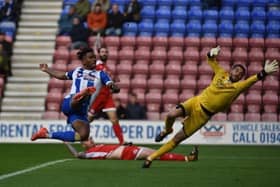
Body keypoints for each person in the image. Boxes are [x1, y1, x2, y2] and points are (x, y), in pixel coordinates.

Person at [142, 46, 279, 168]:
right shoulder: (221, 73)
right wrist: (211, 53)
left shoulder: (238, 87)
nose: (238, 73)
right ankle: (167, 130)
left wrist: (264, 72)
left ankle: (150, 158)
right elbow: (210, 60)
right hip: (196, 101)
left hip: (203, 116)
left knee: (177, 139)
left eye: (241, 74)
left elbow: (252, 80)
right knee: (171, 114)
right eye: (236, 70)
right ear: (231, 70)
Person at [31, 47, 120, 142]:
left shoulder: (100, 74)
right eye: (90, 57)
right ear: (84, 61)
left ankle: (46, 134)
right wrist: (47, 69)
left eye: (94, 57)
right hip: (70, 102)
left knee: (83, 135)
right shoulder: (77, 71)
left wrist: (113, 86)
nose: (94, 59)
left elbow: (109, 83)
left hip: (80, 111)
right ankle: (82, 94)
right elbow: (62, 75)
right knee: (80, 97)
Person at [88, 46, 126, 145]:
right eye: (102, 52)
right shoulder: (96, 65)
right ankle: (80, 136)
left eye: (106, 52)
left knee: (114, 119)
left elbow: (107, 82)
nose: (104, 53)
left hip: (107, 97)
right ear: (99, 54)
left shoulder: (107, 68)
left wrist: (113, 83)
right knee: (88, 120)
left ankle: (122, 142)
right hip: (97, 97)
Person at [64, 136, 199, 162]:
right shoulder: (89, 153)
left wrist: (125, 145)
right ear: (84, 144)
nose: (91, 140)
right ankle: (188, 158)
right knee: (157, 154)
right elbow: (77, 155)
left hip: (128, 150)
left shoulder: (98, 146)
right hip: (127, 154)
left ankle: (186, 158)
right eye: (88, 140)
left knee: (157, 154)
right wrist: (65, 141)